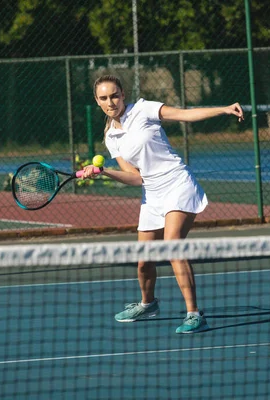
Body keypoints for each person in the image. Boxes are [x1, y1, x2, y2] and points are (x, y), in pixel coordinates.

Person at [82, 75, 244, 334]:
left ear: (123, 94)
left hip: (177, 182)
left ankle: (194, 314)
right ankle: (148, 304)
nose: (110, 102)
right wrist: (104, 172)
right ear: (97, 101)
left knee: (172, 245)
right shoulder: (112, 137)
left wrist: (222, 109)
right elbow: (136, 178)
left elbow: (184, 115)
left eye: (114, 95)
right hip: (152, 194)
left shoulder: (143, 109)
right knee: (144, 261)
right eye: (104, 98)